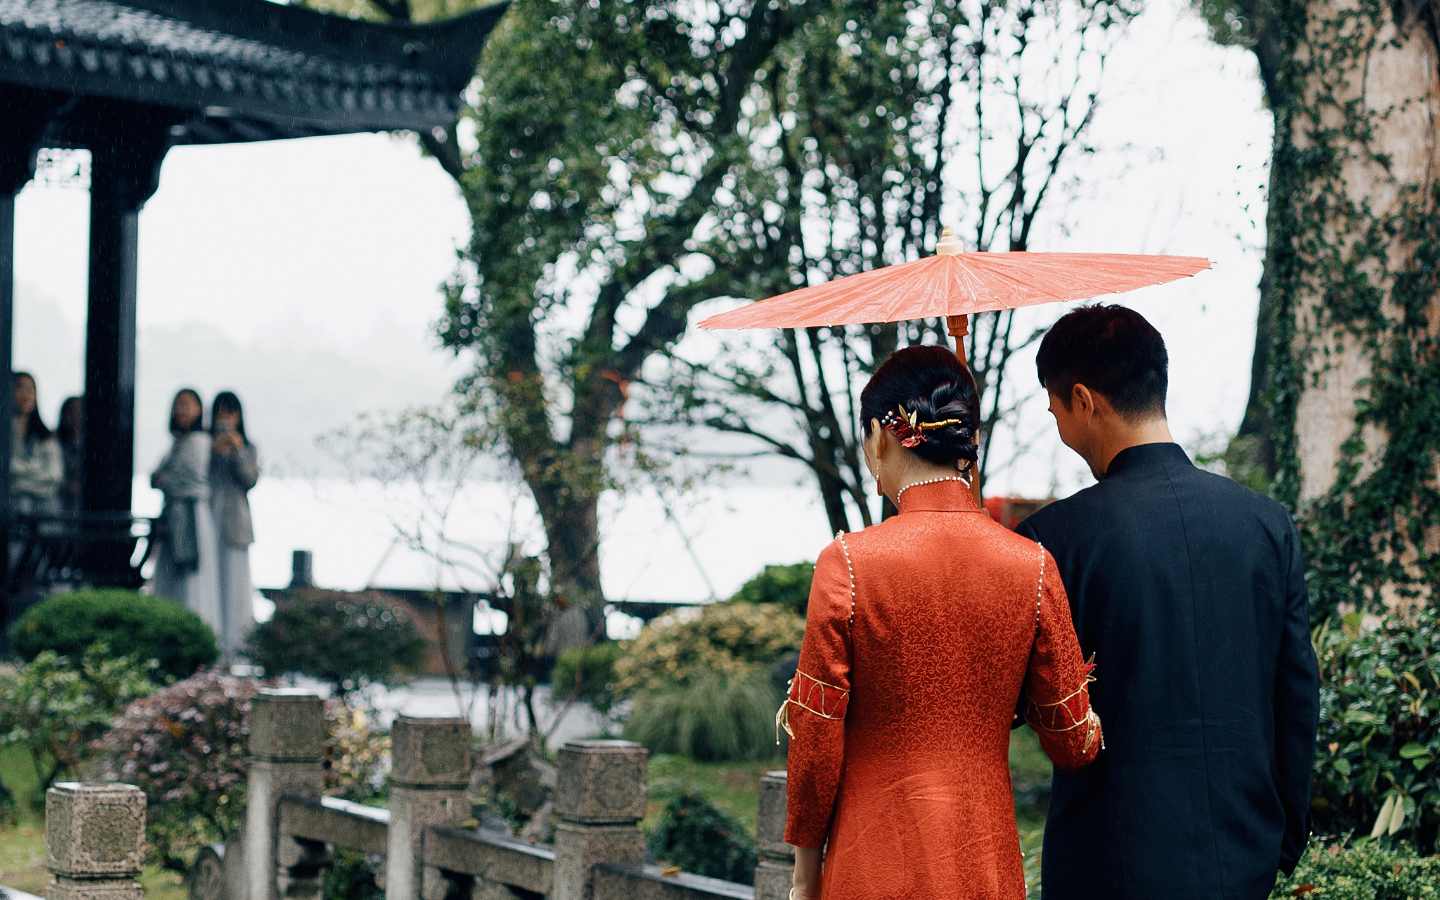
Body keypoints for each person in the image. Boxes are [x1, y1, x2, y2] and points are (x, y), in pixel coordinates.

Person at [1015, 305, 1320, 900]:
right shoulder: (1266, 524)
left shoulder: (1053, 540)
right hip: (1243, 856)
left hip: (1106, 861)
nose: (1060, 429)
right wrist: (1281, 837)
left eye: (1055, 412)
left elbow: (1010, 700)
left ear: (1082, 400)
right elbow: (1296, 695)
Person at [784, 345, 1101, 900]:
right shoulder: (1032, 567)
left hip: (872, 862)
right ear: (967, 440)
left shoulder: (850, 564)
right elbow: (1074, 741)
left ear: (879, 436)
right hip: (984, 864)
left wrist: (805, 878)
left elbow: (815, 742)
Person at [151, 388, 221, 633]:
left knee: (191, 577)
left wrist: (164, 479)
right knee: (178, 576)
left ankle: (191, 629)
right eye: (178, 404)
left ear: (199, 409)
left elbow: (180, 478)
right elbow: (158, 476)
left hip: (191, 515)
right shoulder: (179, 442)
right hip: (178, 514)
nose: (181, 409)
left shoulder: (198, 441)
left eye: (186, 404)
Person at [208, 391, 259, 666]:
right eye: (221, 412)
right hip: (208, 519)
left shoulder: (248, 447)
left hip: (234, 523)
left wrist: (238, 450)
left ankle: (237, 645)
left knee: (236, 583)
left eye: (230, 412)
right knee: (209, 580)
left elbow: (250, 479)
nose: (225, 418)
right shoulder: (206, 445)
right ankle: (213, 641)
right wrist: (213, 452)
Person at [10, 373, 62, 515]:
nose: (26, 394)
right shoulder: (4, 434)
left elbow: (54, 476)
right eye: (20, 387)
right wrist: (38, 467)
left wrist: (15, 482)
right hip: (10, 513)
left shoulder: (46, 436)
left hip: (45, 514)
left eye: (31, 389)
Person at [57, 396, 82, 513]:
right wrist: (69, 485)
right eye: (71, 411)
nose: (76, 416)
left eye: (79, 410)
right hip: (61, 500)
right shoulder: (55, 442)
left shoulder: (94, 446)